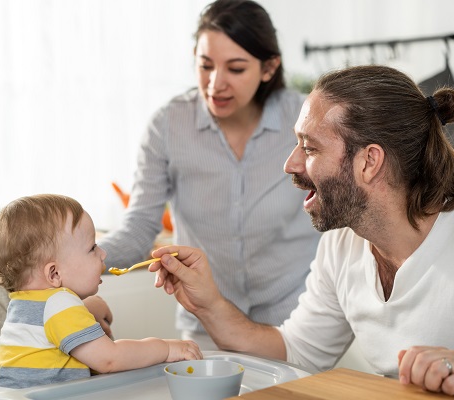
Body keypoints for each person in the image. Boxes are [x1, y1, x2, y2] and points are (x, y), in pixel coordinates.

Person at [149, 65, 454, 399]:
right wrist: (207, 304)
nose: (290, 164)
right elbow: (296, 353)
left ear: (369, 161)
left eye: (309, 147)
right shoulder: (342, 246)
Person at [97, 0, 322, 350]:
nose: (215, 84)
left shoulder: (304, 119)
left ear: (268, 67)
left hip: (293, 321)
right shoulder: (169, 125)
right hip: (207, 326)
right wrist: (65, 260)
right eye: (205, 65)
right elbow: (139, 226)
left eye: (235, 68)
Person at [0, 194, 201, 391]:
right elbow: (110, 359)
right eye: (92, 248)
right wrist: (166, 348)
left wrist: (89, 308)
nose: (103, 253)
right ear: (54, 273)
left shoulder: (24, 305)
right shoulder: (59, 303)